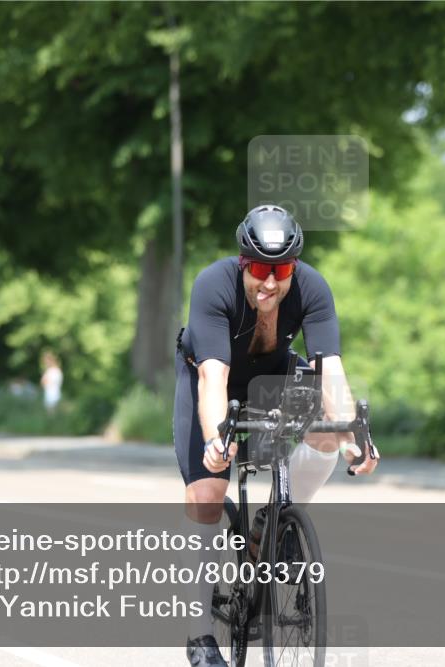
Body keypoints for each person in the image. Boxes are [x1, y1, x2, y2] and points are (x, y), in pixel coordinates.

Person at [173, 204, 378, 666]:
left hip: (274, 377)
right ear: (243, 262)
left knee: (328, 428)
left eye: (281, 269)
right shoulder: (213, 285)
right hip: (211, 379)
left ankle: (275, 521)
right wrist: (214, 439)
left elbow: (331, 374)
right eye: (260, 269)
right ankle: (199, 636)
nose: (270, 282)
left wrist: (353, 437)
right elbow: (212, 379)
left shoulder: (312, 288)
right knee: (207, 493)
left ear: (295, 266)